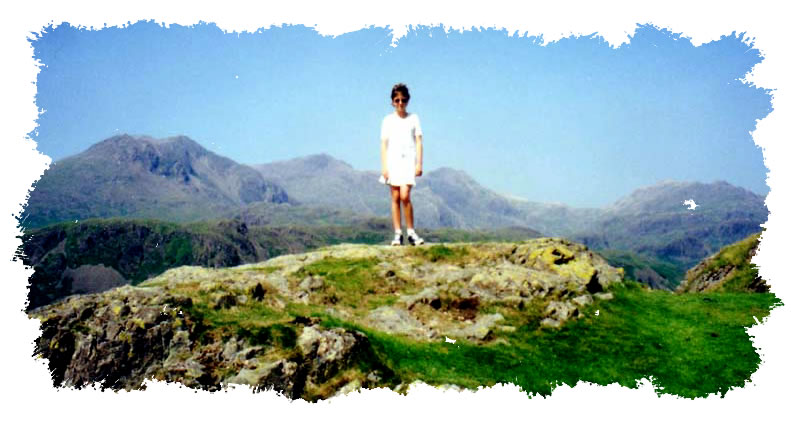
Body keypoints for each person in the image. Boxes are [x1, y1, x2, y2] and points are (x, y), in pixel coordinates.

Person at [380, 83, 425, 246]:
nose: (400, 103)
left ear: (408, 101)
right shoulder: (387, 120)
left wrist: (419, 164)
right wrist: (384, 166)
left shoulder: (413, 118)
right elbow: (384, 144)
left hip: (408, 161)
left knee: (405, 195)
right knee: (395, 197)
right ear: (392, 101)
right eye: (397, 100)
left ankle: (411, 232)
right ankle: (398, 233)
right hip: (393, 162)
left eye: (403, 100)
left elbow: (419, 141)